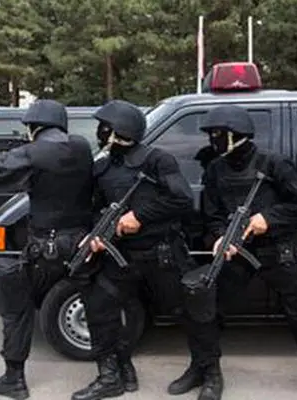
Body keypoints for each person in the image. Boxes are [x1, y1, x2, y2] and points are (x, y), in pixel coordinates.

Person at [71, 99, 222, 400]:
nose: (100, 132)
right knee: (99, 307)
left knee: (192, 313)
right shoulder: (102, 167)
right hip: (121, 257)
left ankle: (208, 373)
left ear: (119, 130)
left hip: (162, 254)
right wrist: (95, 234)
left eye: (104, 127)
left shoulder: (157, 161)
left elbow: (181, 199)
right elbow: (94, 208)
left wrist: (139, 216)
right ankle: (112, 374)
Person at [195, 105, 297, 400]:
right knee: (209, 308)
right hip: (237, 251)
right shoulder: (215, 169)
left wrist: (267, 219)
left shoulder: (274, 163)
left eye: (218, 134)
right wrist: (220, 237)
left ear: (236, 134)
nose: (212, 140)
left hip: (276, 249)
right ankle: (207, 371)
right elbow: (212, 213)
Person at [0, 99, 95, 400]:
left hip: (45, 248)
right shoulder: (82, 147)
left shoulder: (31, 153)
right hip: (80, 244)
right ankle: (113, 373)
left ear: (33, 127)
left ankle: (14, 379)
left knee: (17, 308)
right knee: (97, 304)